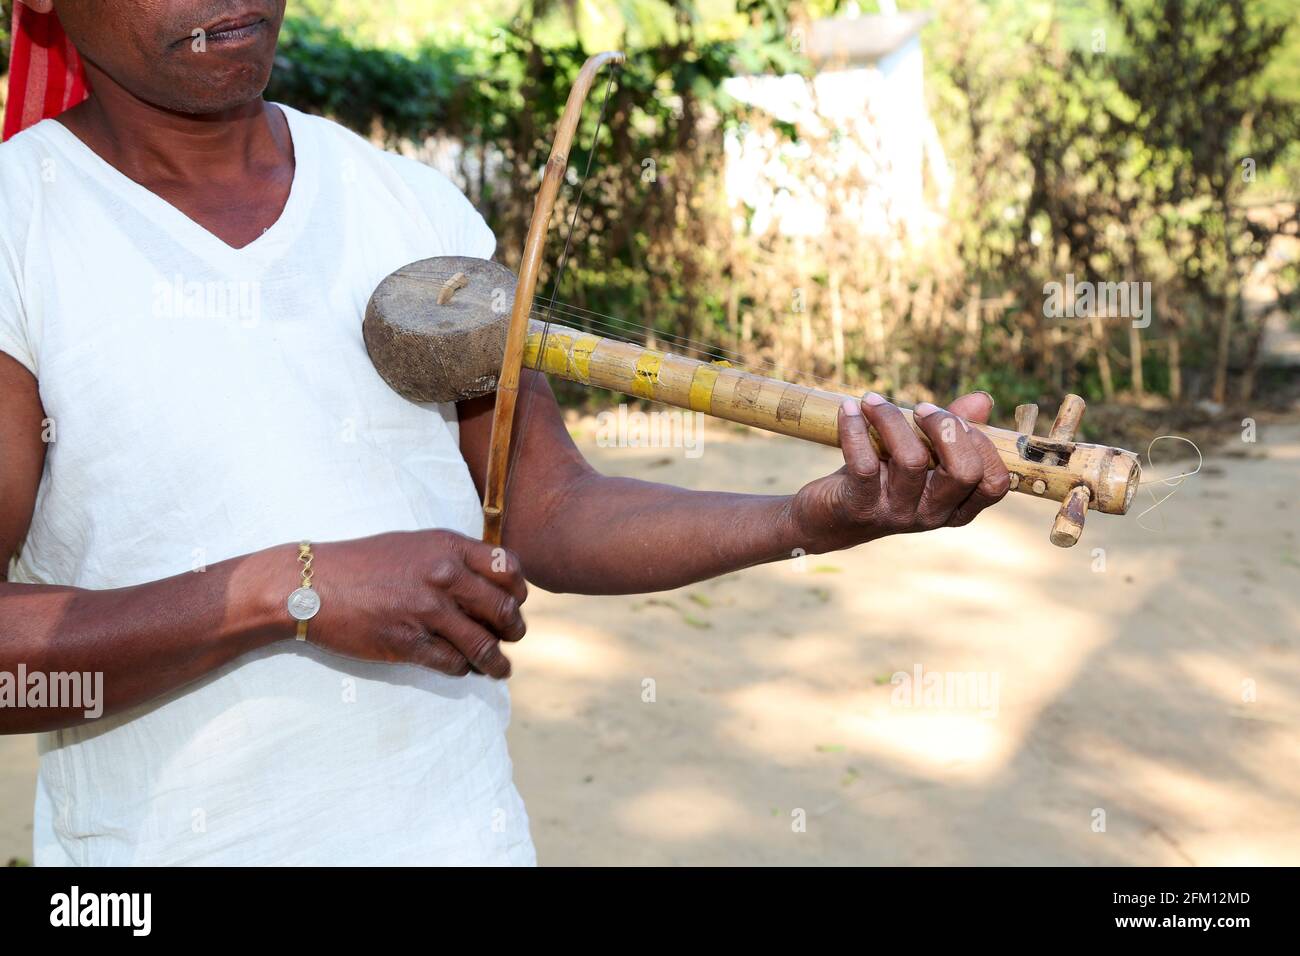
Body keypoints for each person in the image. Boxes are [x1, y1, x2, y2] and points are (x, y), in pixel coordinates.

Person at [0, 1, 1009, 865]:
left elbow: (546, 508)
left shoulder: (408, 205)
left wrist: (808, 517)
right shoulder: (21, 230)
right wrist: (286, 589)